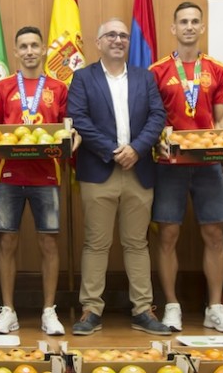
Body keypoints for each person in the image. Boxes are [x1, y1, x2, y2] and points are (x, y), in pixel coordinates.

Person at [67, 18, 171, 336]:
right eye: (110, 35)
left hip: (138, 169)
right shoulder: (83, 78)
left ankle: (142, 309)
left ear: (129, 42)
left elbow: (158, 115)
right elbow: (79, 119)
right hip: (100, 169)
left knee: (137, 243)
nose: (118, 40)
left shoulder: (145, 77)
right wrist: (113, 150)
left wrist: (137, 149)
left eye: (123, 35)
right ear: (98, 42)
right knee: (96, 243)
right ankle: (91, 310)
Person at [149, 1, 223, 333]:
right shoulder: (156, 70)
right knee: (168, 234)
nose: (188, 26)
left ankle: (215, 307)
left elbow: (221, 117)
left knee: (214, 233)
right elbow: (153, 118)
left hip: (207, 162)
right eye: (182, 21)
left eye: (194, 21)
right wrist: (160, 139)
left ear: (202, 28)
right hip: (168, 162)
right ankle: (172, 306)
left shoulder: (216, 69)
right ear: (173, 28)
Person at [0, 26, 79, 336]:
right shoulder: (2, 87)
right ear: (15, 52)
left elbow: (70, 129)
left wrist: (73, 140)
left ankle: (49, 311)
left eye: (34, 45)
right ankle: (8, 311)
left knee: (49, 242)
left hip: (47, 174)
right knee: (6, 241)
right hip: (8, 175)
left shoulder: (59, 87)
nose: (29, 51)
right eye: (23, 46)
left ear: (43, 51)